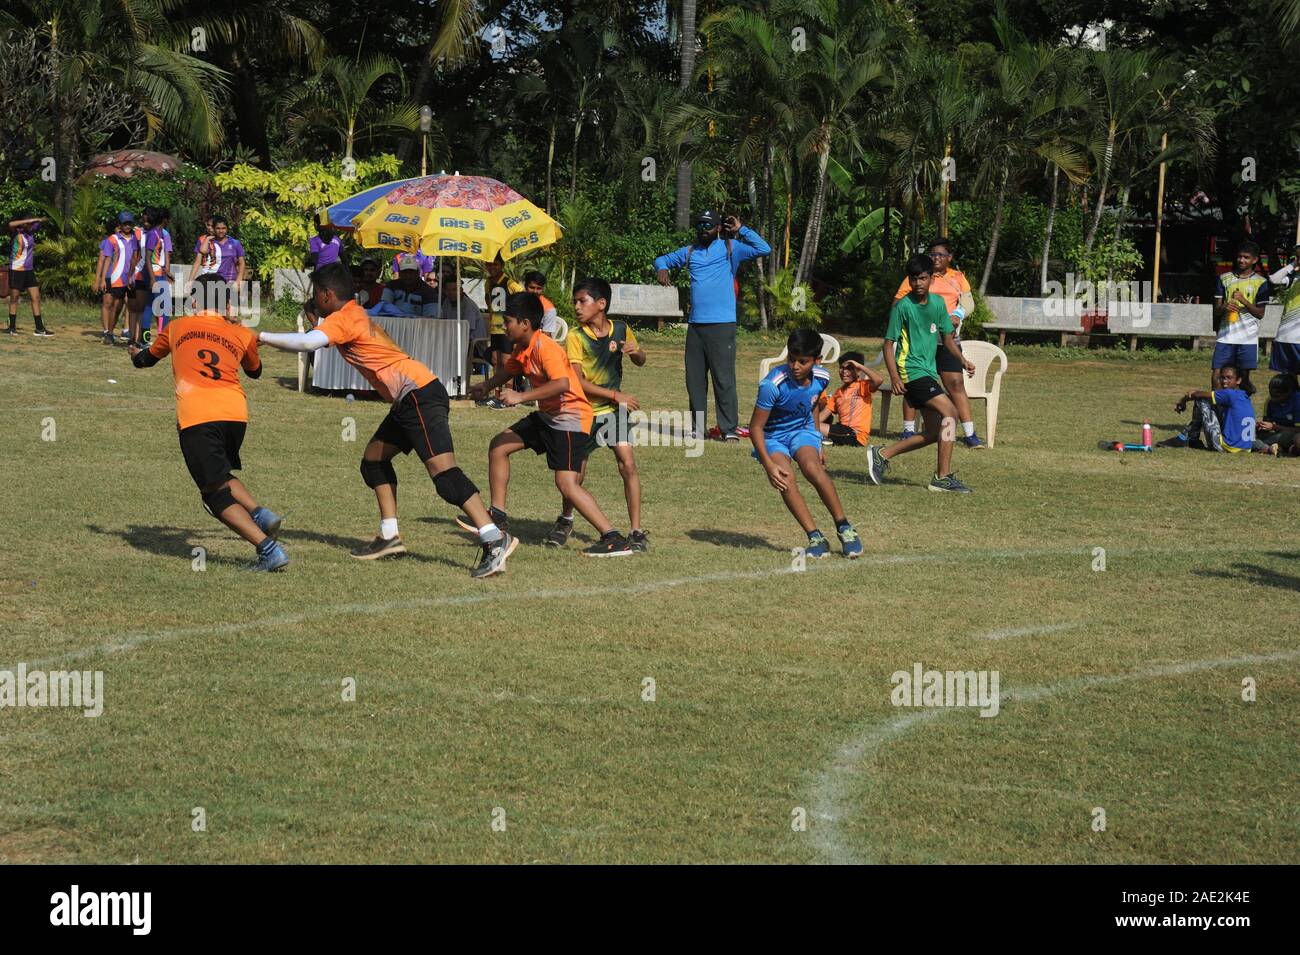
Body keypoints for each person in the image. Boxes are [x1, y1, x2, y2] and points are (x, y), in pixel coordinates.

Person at [256, 262, 514, 578]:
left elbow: (309, 343)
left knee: (445, 477)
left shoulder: (344, 318)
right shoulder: (352, 313)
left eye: (315, 294)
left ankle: (494, 537)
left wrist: (263, 336)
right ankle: (389, 535)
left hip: (419, 395)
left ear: (326, 294)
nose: (313, 300)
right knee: (373, 462)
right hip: (412, 398)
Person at [127, 273, 288, 572]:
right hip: (236, 415)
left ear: (195, 301)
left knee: (213, 494)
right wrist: (243, 340)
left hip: (199, 415)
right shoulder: (240, 333)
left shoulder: (177, 328)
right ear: (226, 302)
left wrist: (134, 353)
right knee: (220, 474)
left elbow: (145, 360)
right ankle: (261, 514)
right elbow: (255, 372)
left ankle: (269, 550)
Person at [469, 292, 634, 557]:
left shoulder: (546, 348)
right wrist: (486, 385)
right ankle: (497, 517)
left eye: (508, 321)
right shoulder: (521, 347)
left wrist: (520, 396)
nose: (504, 326)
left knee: (567, 484)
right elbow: (509, 370)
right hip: (549, 416)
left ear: (525, 323)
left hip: (570, 418)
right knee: (499, 446)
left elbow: (563, 384)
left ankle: (613, 537)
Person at [538, 277, 649, 551]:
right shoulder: (576, 337)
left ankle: (635, 530)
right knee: (575, 474)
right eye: (575, 301)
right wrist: (615, 395)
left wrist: (637, 353)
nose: (576, 307)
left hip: (613, 413)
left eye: (581, 301)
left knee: (628, 465)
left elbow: (641, 359)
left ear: (601, 304)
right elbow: (576, 382)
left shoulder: (621, 329)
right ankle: (566, 520)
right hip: (583, 412)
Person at [654, 210, 770, 441]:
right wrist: (662, 269)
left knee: (723, 379)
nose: (703, 230)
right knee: (695, 380)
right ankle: (698, 429)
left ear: (718, 228)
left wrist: (741, 230)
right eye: (699, 225)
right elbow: (661, 259)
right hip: (696, 327)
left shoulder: (731, 248)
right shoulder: (689, 252)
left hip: (722, 325)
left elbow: (763, 248)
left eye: (708, 226)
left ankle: (728, 429)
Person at [749, 327, 863, 558]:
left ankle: (844, 528)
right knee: (785, 477)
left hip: (802, 430)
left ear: (816, 361)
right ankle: (815, 537)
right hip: (772, 437)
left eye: (803, 361)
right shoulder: (772, 385)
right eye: (792, 359)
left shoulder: (822, 377)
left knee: (812, 468)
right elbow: (755, 428)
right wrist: (769, 465)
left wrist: (817, 442)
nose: (795, 366)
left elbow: (812, 406)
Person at [867, 254, 976, 493]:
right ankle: (942, 477)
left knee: (936, 431)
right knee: (951, 413)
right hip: (911, 370)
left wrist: (963, 360)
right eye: (914, 279)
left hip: (927, 372)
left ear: (931, 279)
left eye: (923, 278)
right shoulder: (903, 307)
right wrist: (895, 377)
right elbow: (888, 344)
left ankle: (882, 454)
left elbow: (947, 339)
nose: (918, 283)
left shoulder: (937, 304)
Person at [894, 237, 983, 448]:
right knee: (915, 385)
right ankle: (908, 431)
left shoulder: (957, 277)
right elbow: (897, 305)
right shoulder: (917, 275)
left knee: (956, 383)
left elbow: (968, 302)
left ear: (949, 258)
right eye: (932, 254)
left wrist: (958, 315)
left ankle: (970, 434)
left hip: (947, 337)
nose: (936, 258)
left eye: (940, 255)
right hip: (919, 342)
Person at [1160, 364, 1267, 453]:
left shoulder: (1229, 394)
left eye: (1229, 378)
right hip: (1246, 448)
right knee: (1214, 404)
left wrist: (1182, 401)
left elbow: (1196, 395)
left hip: (1226, 447)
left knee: (1201, 400)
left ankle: (1189, 438)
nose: (1224, 381)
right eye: (1222, 377)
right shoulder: (1244, 396)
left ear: (1238, 380)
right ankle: (1190, 438)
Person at [1212, 241, 1269, 395]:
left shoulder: (1261, 282)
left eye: (1246, 257)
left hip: (1247, 338)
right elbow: (1216, 310)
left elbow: (1260, 314)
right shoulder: (1224, 278)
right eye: (1239, 257)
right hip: (1226, 336)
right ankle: (1218, 413)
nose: (1242, 260)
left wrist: (1244, 301)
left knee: (1242, 380)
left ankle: (1243, 404)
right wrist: (1225, 306)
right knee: (1217, 375)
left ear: (1255, 260)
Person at [816, 351, 882, 447]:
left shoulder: (862, 386)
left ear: (858, 371)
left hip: (854, 434)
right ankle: (825, 439)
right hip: (842, 429)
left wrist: (860, 366)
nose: (844, 372)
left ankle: (822, 438)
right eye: (842, 368)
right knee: (809, 425)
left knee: (812, 427)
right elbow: (823, 415)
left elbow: (879, 381)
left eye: (849, 368)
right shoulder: (838, 393)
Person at [483, 255, 524, 406]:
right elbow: (488, 300)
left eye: (495, 264)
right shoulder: (488, 282)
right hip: (494, 327)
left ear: (502, 265)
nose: (492, 267)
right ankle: (497, 395)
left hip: (507, 329)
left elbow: (521, 296)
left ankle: (508, 395)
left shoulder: (509, 282)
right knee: (495, 360)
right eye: (489, 264)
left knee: (507, 362)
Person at [94, 212, 140, 346]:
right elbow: (107, 259)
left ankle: (131, 335)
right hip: (116, 277)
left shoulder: (135, 239)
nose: (127, 226)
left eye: (129, 223)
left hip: (130, 278)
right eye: (124, 223)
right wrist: (102, 279)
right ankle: (109, 333)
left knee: (130, 306)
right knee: (115, 305)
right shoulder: (112, 239)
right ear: (119, 225)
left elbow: (136, 257)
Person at [5, 215, 50, 337]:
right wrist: (27, 221)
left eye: (32, 225)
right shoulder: (16, 232)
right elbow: (10, 224)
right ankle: (12, 327)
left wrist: (38, 220)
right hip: (16, 268)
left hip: (28, 270)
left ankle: (40, 329)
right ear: (24, 224)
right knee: (14, 297)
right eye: (29, 224)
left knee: (36, 297)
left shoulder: (31, 231)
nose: (31, 226)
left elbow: (45, 220)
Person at [1266, 243, 1300, 386]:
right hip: (1286, 337)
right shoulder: (1294, 278)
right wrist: (1293, 264)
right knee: (1288, 381)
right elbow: (1274, 279)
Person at [140, 207, 173, 343]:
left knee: (149, 305)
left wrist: (167, 272)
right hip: (154, 273)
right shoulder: (154, 234)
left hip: (158, 272)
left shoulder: (159, 233)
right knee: (164, 307)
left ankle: (145, 340)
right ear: (164, 220)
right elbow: (148, 257)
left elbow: (158, 257)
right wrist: (153, 278)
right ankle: (162, 339)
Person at [435, 259, 486, 340]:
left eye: (454, 290)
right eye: (448, 290)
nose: (451, 293)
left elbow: (467, 331)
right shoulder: (447, 302)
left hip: (472, 344)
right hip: (454, 338)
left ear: (461, 290)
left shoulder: (468, 305)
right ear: (444, 291)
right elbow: (443, 322)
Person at [1257, 374, 1300, 456]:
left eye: (1277, 395)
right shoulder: (1270, 401)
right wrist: (1260, 426)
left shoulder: (1297, 401)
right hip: (1278, 434)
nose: (1273, 398)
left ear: (1289, 392)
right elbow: (1267, 423)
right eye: (1271, 394)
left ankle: (1287, 448)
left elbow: (1298, 430)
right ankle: (1282, 448)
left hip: (1293, 434)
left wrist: (1274, 427)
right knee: (1254, 436)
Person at [125, 214, 149, 345]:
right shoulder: (138, 233)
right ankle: (133, 337)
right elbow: (135, 256)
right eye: (144, 220)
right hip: (138, 273)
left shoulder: (161, 234)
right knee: (134, 307)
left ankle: (139, 338)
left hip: (150, 274)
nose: (146, 222)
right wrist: (130, 274)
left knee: (142, 308)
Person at [523, 270, 560, 337]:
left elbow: (546, 336)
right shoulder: (518, 302)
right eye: (532, 287)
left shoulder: (549, 309)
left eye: (539, 288)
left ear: (543, 288)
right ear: (525, 286)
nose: (535, 291)